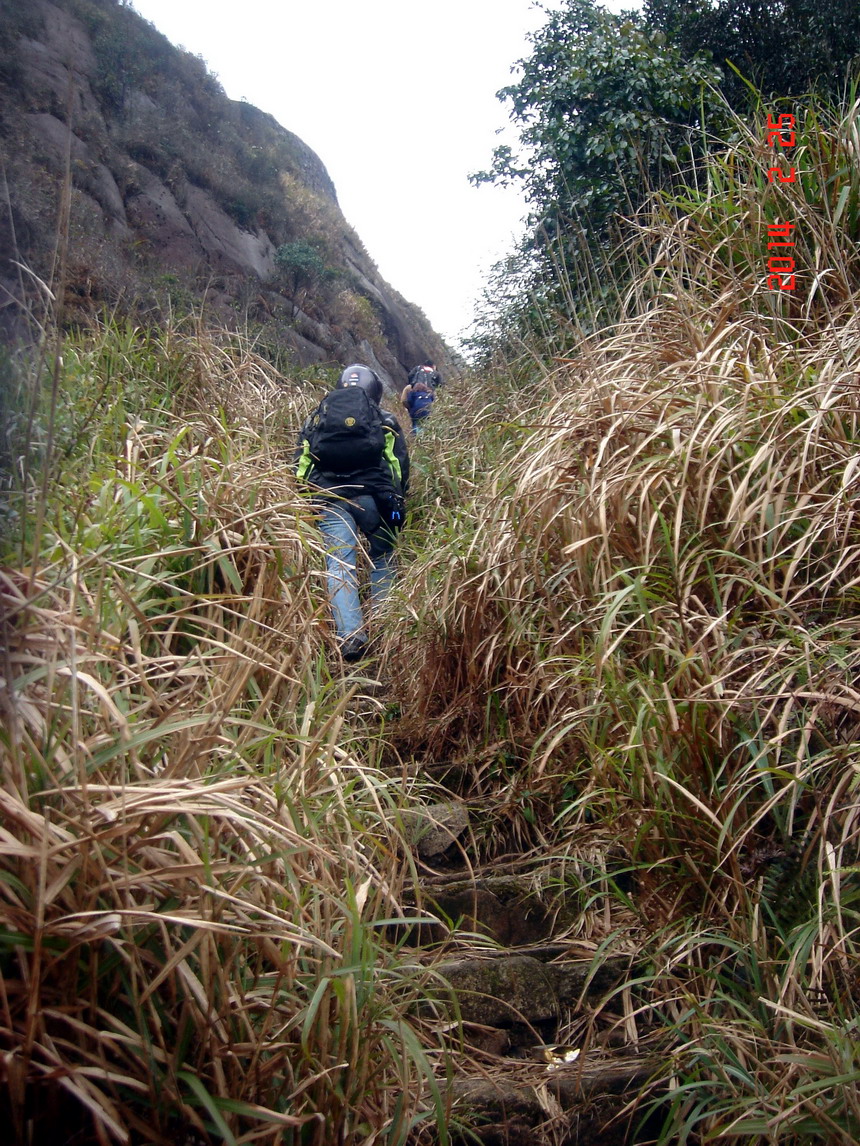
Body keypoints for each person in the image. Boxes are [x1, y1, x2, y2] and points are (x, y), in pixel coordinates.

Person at [295, 364, 410, 662]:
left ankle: (351, 637)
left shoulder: (317, 418)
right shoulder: (384, 420)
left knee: (339, 565)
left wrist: (308, 500)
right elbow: (397, 466)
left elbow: (301, 466)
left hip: (330, 499)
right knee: (382, 556)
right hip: (375, 499)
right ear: (375, 389)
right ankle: (386, 630)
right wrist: (397, 502)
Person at [401, 360, 440, 435]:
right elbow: (439, 384)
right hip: (429, 394)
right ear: (433, 366)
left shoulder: (418, 368)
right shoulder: (435, 373)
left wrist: (412, 385)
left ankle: (416, 434)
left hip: (415, 391)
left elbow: (410, 375)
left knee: (416, 420)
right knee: (428, 419)